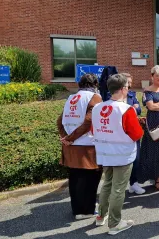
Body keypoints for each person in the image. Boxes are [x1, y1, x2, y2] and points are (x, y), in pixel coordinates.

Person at [92, 74, 144, 235]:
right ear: (122, 90)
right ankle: (114, 223)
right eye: (127, 87)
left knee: (107, 184)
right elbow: (137, 134)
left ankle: (101, 216)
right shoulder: (126, 109)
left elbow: (94, 130)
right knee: (118, 189)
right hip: (122, 154)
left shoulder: (97, 107)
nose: (128, 90)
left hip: (104, 153)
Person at [57, 73, 103, 220]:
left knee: (75, 178)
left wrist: (66, 138)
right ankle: (86, 210)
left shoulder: (71, 98)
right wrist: (70, 138)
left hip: (71, 147)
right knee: (90, 179)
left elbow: (59, 120)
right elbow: (89, 122)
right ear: (95, 85)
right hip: (87, 147)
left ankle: (77, 209)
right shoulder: (94, 97)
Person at [119, 73, 145, 195]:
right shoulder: (111, 95)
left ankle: (133, 183)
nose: (129, 85)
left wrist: (134, 108)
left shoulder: (132, 94)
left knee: (136, 158)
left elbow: (139, 109)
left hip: (133, 131)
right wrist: (132, 108)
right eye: (127, 82)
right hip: (120, 133)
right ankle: (119, 187)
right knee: (122, 161)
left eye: (130, 82)